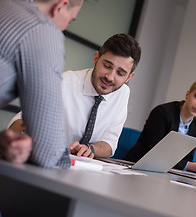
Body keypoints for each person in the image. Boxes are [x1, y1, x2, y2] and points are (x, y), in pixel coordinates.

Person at [0, 0, 97, 168]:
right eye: (70, 20)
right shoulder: (42, 28)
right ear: (60, 6)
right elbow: (47, 153)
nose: (63, 28)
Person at [8, 33, 141, 159]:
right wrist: (28, 127)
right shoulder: (63, 82)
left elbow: (110, 143)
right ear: (96, 58)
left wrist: (90, 149)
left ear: (129, 77)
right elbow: (17, 123)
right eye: (107, 66)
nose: (110, 77)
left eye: (120, 73)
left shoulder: (122, 93)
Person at [124, 80, 196, 172]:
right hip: (138, 167)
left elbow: (188, 158)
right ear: (187, 94)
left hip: (168, 172)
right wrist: (193, 166)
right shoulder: (161, 113)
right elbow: (154, 153)